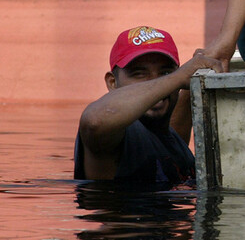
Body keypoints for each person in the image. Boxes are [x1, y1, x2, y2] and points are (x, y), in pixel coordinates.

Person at [74, 26, 223, 184]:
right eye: (138, 73)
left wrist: (191, 84)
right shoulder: (113, 137)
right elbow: (94, 122)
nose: (154, 81)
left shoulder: (170, 137)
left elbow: (171, 134)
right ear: (112, 83)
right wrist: (177, 77)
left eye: (165, 72)